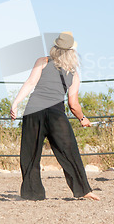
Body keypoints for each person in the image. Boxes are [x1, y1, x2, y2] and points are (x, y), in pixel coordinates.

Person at [10, 31, 100, 201]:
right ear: (72, 52)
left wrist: (16, 103)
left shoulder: (42, 61)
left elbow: (30, 83)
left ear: (55, 48)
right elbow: (73, 105)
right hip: (56, 114)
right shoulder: (74, 75)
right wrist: (83, 119)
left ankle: (32, 193)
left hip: (33, 111)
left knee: (31, 153)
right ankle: (83, 189)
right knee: (69, 151)